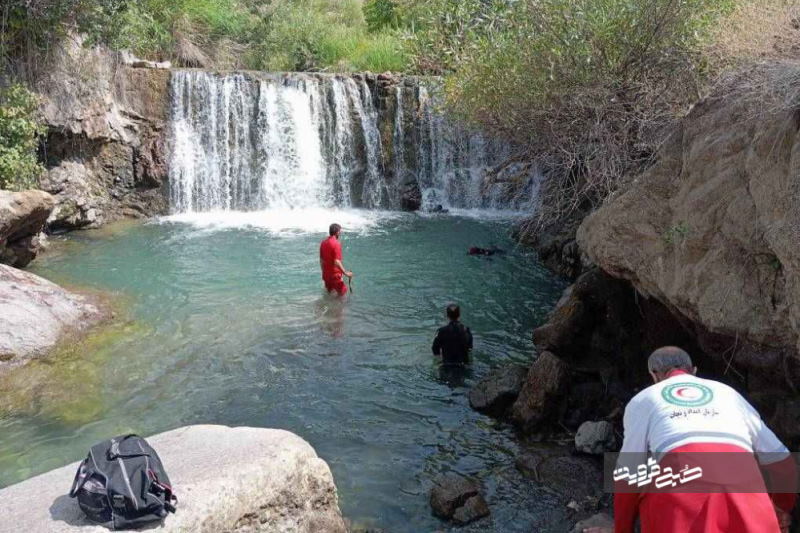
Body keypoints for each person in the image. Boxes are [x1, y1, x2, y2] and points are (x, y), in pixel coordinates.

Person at [586, 346, 796, 533]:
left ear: (654, 376)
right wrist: (779, 509)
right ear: (694, 371)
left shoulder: (643, 399)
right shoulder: (729, 394)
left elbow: (628, 476)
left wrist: (622, 530)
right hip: (747, 500)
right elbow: (783, 462)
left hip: (683, 504)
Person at [319, 223, 353, 296]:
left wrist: (324, 272)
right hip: (335, 275)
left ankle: (327, 307)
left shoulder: (323, 243)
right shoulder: (336, 243)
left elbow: (321, 260)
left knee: (329, 294)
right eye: (339, 232)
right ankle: (339, 307)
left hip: (326, 274)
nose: (340, 233)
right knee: (343, 293)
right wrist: (345, 273)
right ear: (337, 232)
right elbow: (336, 261)